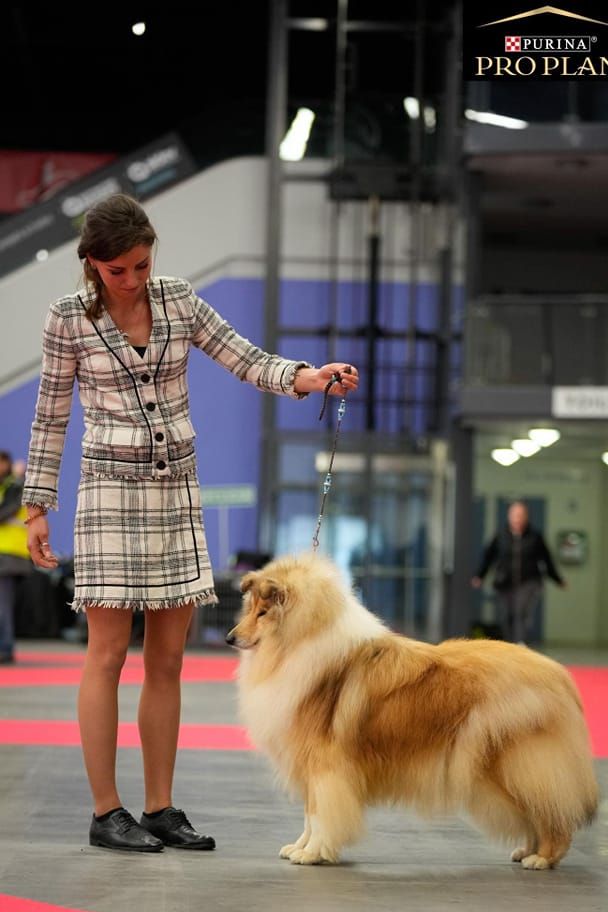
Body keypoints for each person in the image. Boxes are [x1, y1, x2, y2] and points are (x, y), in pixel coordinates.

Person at [22, 193, 359, 853]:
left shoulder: (178, 300)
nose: (134, 279)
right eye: (118, 270)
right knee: (108, 652)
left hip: (176, 493)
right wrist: (37, 506)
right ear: (91, 264)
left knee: (169, 659)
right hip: (108, 495)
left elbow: (243, 357)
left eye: (142, 265)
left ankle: (159, 808)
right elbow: (50, 413)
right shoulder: (67, 319)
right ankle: (105, 811)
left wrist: (308, 377)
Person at [471, 500, 566, 646]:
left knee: (521, 611)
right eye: (515, 515)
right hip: (505, 582)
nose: (518, 518)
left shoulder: (535, 536)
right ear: (509, 516)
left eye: (521, 515)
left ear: (526, 517)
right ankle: (511, 645)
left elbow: (546, 559)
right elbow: (489, 557)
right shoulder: (500, 536)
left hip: (529, 581)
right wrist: (480, 576)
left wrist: (557, 579)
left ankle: (521, 642)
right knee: (507, 615)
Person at [0, 452, 31, 664]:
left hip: (10, 555)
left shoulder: (15, 486)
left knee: (3, 605)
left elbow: (5, 513)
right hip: (7, 554)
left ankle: (5, 647)